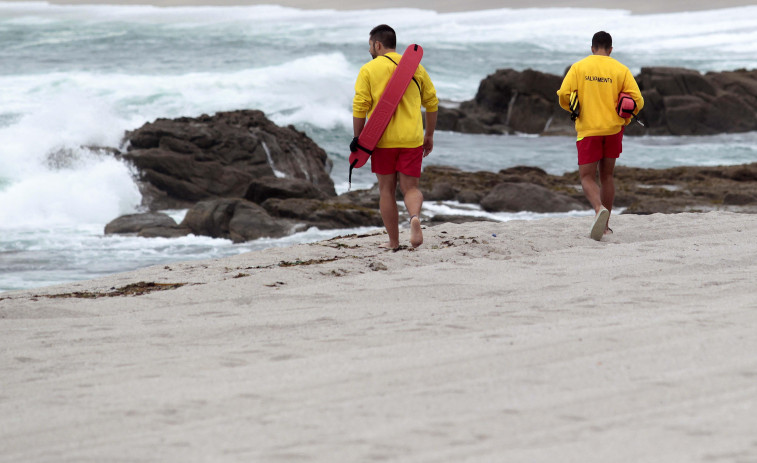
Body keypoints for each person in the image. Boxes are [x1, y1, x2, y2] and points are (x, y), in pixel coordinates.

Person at [352, 24, 439, 250]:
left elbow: (360, 107)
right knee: (410, 188)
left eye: (370, 45)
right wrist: (428, 134)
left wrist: (359, 138)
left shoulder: (368, 70)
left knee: (386, 190)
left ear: (377, 44)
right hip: (411, 138)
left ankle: (393, 242)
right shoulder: (415, 68)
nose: (370, 50)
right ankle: (414, 218)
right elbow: (432, 103)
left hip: (381, 140)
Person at [557, 31, 644, 241]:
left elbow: (563, 94)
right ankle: (605, 226)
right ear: (611, 50)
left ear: (592, 48)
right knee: (607, 176)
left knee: (587, 177)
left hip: (588, 130)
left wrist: (573, 107)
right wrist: (624, 120)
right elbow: (637, 100)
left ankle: (598, 209)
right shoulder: (620, 69)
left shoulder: (579, 67)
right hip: (613, 130)